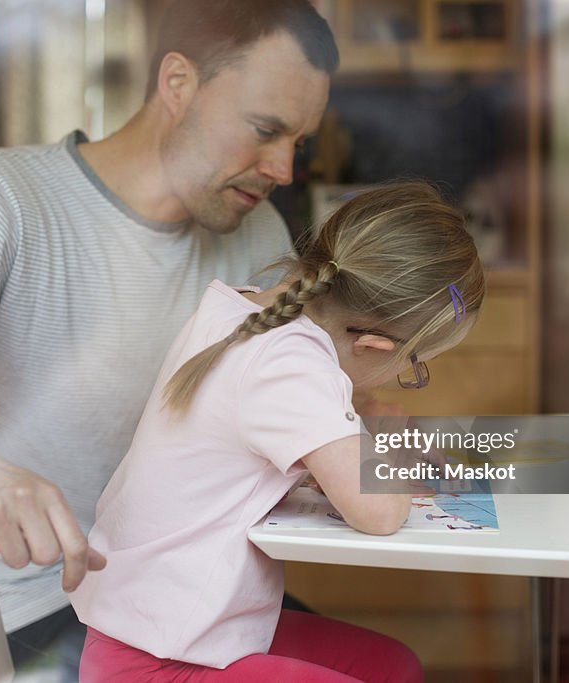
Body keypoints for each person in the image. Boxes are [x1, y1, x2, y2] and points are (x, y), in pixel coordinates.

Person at [0, 0, 339, 676]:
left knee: (384, 663)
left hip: (190, 603)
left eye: (299, 143)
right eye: (265, 129)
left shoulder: (258, 239)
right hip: (34, 609)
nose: (284, 168)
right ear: (177, 83)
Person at [71, 182, 485, 681]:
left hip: (160, 627)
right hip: (159, 661)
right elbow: (379, 513)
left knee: (393, 667)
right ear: (373, 344)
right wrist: (386, 448)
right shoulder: (290, 363)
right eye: (413, 364)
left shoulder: (245, 312)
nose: (408, 377)